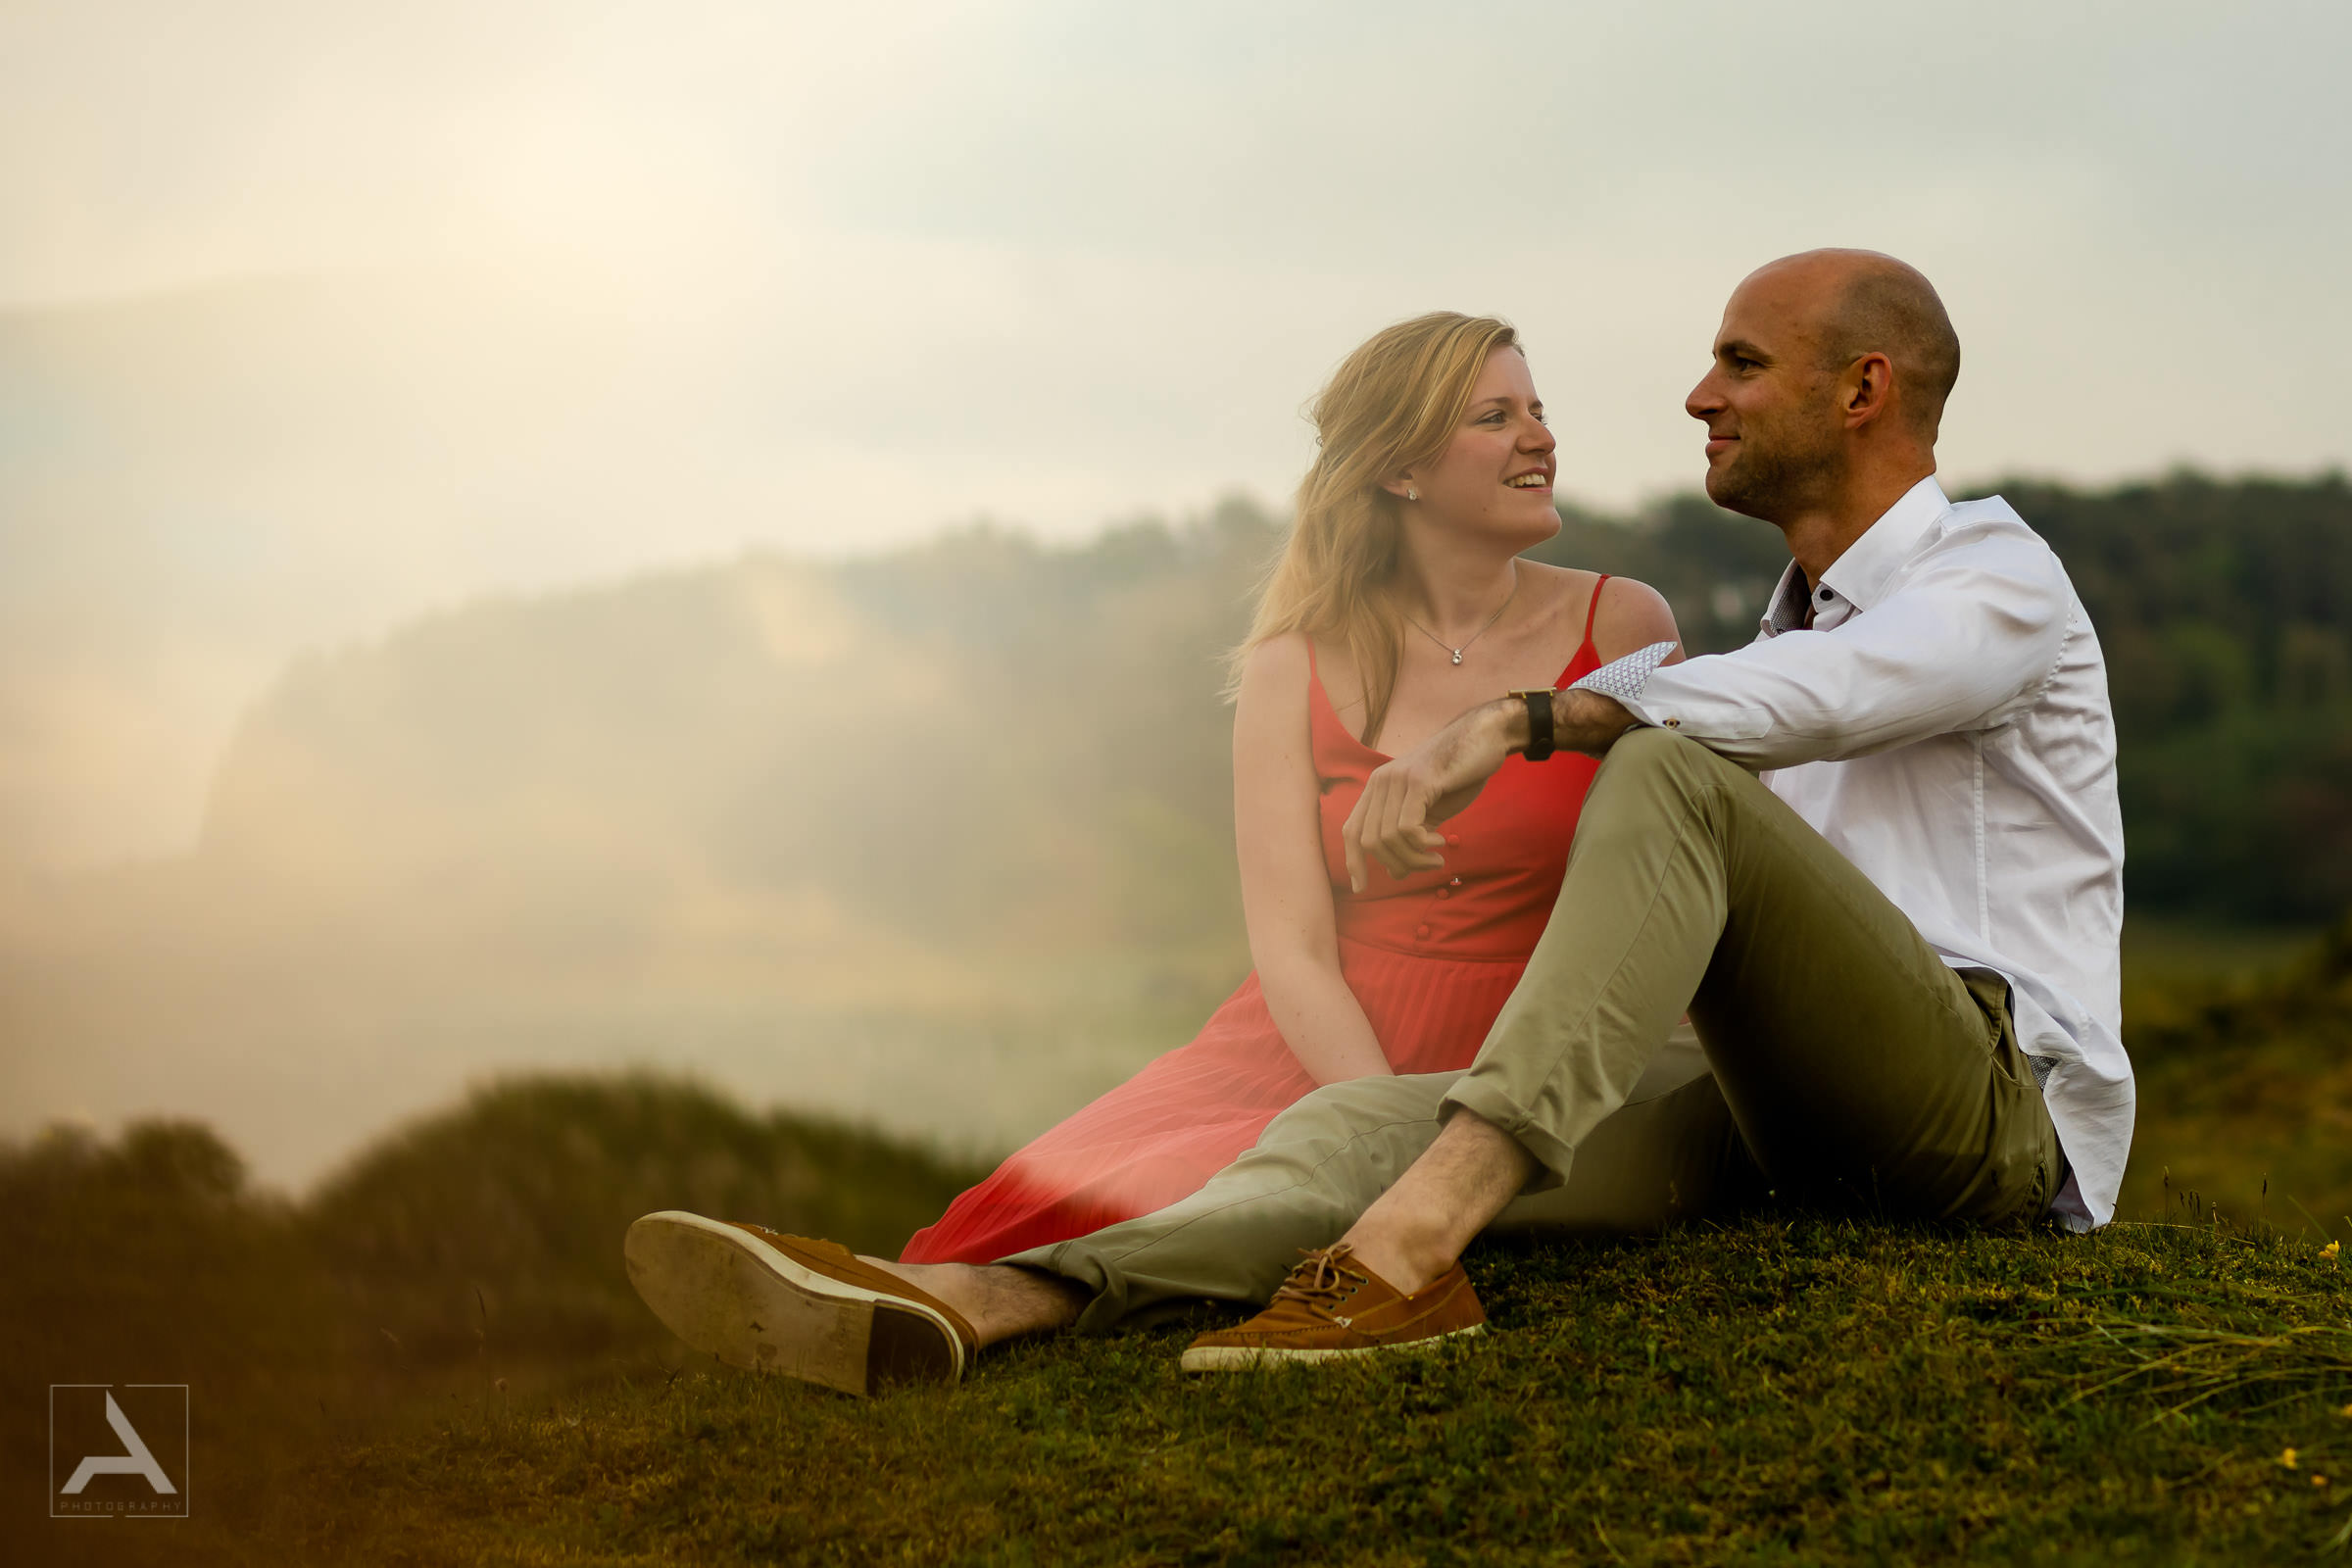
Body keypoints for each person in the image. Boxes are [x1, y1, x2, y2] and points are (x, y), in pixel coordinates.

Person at [624, 249, 2131, 1396]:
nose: (1695, 398)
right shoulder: (1771, 631)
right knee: (1353, 1119)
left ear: (1861, 390)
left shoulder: (1995, 584)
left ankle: (1413, 1257)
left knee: (1665, 765)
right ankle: (976, 1300)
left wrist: (1521, 720)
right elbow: (1767, 703)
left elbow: (1822, 700)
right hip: (1786, 1115)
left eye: (1740, 363)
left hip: (1993, 1119)